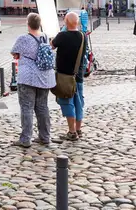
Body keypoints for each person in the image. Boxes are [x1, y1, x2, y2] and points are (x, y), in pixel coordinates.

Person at [10, 13, 56, 148]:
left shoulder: (23, 38)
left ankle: (25, 139)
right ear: (39, 24)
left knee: (27, 108)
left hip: (28, 78)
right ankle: (45, 137)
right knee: (42, 107)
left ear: (28, 24)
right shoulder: (46, 37)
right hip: (45, 77)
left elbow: (14, 53)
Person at [52, 12, 87, 141]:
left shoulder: (62, 36)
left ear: (65, 22)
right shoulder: (83, 36)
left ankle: (72, 132)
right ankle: (78, 129)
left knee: (67, 103)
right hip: (78, 76)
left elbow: (51, 46)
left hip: (64, 77)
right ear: (77, 23)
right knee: (79, 102)